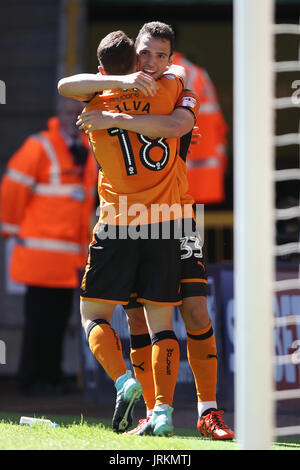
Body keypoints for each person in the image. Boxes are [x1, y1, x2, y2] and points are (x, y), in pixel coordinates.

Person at [76, 23, 234, 439]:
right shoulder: (145, 88)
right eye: (146, 53)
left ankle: (207, 411)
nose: (152, 62)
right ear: (135, 53)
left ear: (170, 58)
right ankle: (154, 411)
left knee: (195, 310)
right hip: (150, 219)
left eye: (161, 56)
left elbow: (179, 125)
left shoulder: (170, 85)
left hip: (177, 217)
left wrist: (113, 116)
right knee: (140, 319)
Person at [59, 26, 199, 437]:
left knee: (94, 315)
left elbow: (65, 84)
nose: (152, 62)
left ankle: (123, 380)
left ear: (102, 67)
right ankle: (163, 412)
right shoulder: (169, 86)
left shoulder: (95, 97)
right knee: (162, 326)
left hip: (119, 223)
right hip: (165, 224)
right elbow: (176, 125)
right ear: (139, 59)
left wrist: (113, 93)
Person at [0, 97, 98, 396]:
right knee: (39, 321)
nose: (73, 118)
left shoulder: (87, 152)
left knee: (57, 320)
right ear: (58, 114)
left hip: (67, 259)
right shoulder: (40, 146)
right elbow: (12, 190)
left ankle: (52, 375)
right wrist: (11, 231)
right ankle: (32, 378)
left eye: (78, 113)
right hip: (40, 254)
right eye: (69, 112)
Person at [173, 50, 228, 205]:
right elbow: (219, 126)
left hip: (174, 181)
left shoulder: (162, 73)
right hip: (206, 178)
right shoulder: (199, 74)